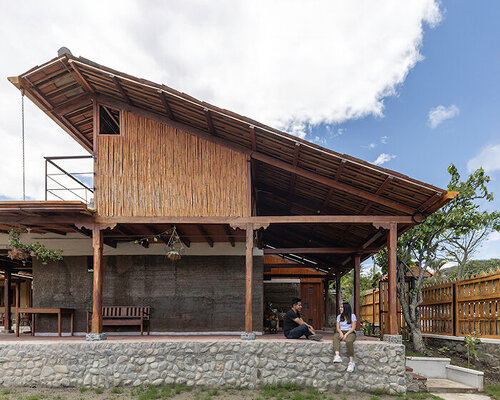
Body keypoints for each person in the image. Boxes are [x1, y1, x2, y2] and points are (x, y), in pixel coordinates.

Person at [332, 302, 357, 372]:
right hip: (341, 331)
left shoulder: (352, 316)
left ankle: (351, 362)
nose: (340, 308)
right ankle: (337, 356)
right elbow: (337, 327)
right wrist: (340, 333)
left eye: (342, 307)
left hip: (350, 332)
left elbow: (353, 328)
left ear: (346, 308)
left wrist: (346, 334)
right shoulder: (339, 316)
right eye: (340, 307)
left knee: (349, 341)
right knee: (335, 338)